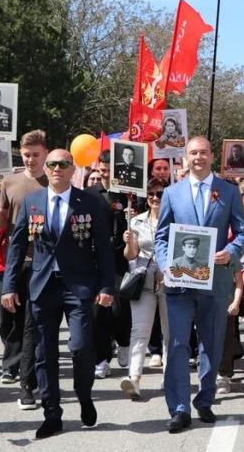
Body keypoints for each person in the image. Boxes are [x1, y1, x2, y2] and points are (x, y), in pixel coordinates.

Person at [1, 149, 116, 439]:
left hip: (78, 286)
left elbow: (103, 248)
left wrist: (106, 286)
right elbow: (16, 246)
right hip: (42, 285)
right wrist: (9, 286)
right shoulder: (33, 201)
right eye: (52, 164)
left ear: (72, 169)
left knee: (80, 346)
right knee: (44, 352)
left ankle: (84, 394)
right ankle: (52, 413)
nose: (57, 169)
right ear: (46, 168)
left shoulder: (89, 202)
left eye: (63, 164)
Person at [153, 136, 244, 433]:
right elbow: (161, 237)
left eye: (204, 153)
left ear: (212, 156)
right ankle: (179, 408)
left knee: (211, 344)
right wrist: (165, 265)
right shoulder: (172, 193)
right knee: (178, 344)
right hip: (180, 283)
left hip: (215, 283)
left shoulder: (228, 191)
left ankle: (205, 399)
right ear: (186, 158)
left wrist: (231, 252)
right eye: (193, 153)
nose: (199, 158)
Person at [0, 130, 49, 409]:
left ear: (45, 154)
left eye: (36, 155)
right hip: (16, 259)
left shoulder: (53, 181)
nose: (30, 159)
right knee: (7, 321)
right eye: (26, 155)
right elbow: (1, 224)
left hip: (44, 261)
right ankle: (18, 365)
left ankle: (30, 377)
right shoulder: (10, 182)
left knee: (33, 324)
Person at [84, 160, 131, 380]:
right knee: (98, 312)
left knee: (119, 307)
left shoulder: (126, 194)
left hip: (120, 258)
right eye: (102, 170)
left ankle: (123, 342)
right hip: (95, 259)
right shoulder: (88, 194)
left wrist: (130, 217)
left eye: (109, 170)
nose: (105, 174)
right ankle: (101, 359)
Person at [118, 179, 164, 398]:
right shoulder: (136, 221)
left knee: (170, 334)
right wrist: (129, 242)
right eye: (151, 194)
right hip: (143, 282)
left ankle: (170, 376)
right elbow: (131, 256)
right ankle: (134, 377)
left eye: (160, 194)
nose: (155, 198)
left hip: (168, 282)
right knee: (139, 331)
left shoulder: (174, 220)